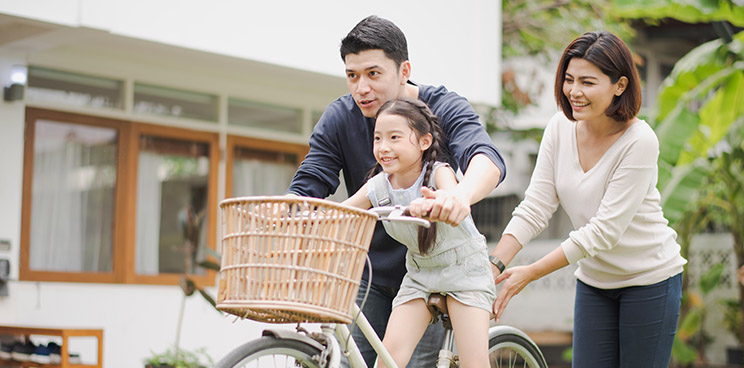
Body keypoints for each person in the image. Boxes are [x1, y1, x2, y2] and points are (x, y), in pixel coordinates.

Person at [286, 15, 506, 367]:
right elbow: (311, 183)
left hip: (441, 268)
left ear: (404, 70)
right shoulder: (341, 117)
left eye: (373, 74)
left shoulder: (442, 108)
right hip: (369, 270)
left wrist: (459, 197)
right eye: (352, 76)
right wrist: (290, 212)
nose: (361, 88)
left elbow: (485, 159)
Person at [488, 31, 687, 368]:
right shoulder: (559, 128)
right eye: (569, 79)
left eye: (587, 82)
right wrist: (494, 265)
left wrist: (531, 272)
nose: (574, 92)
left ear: (619, 86)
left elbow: (603, 232)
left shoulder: (639, 140)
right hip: (595, 282)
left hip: (650, 282)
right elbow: (536, 206)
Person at [343, 98, 495, 368]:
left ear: (424, 142)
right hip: (420, 274)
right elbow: (340, 211)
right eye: (378, 138)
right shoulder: (378, 186)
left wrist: (435, 204)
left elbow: (451, 196)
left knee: (474, 363)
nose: (383, 147)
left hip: (465, 270)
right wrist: (299, 218)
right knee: (388, 360)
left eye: (394, 137)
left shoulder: (438, 173)